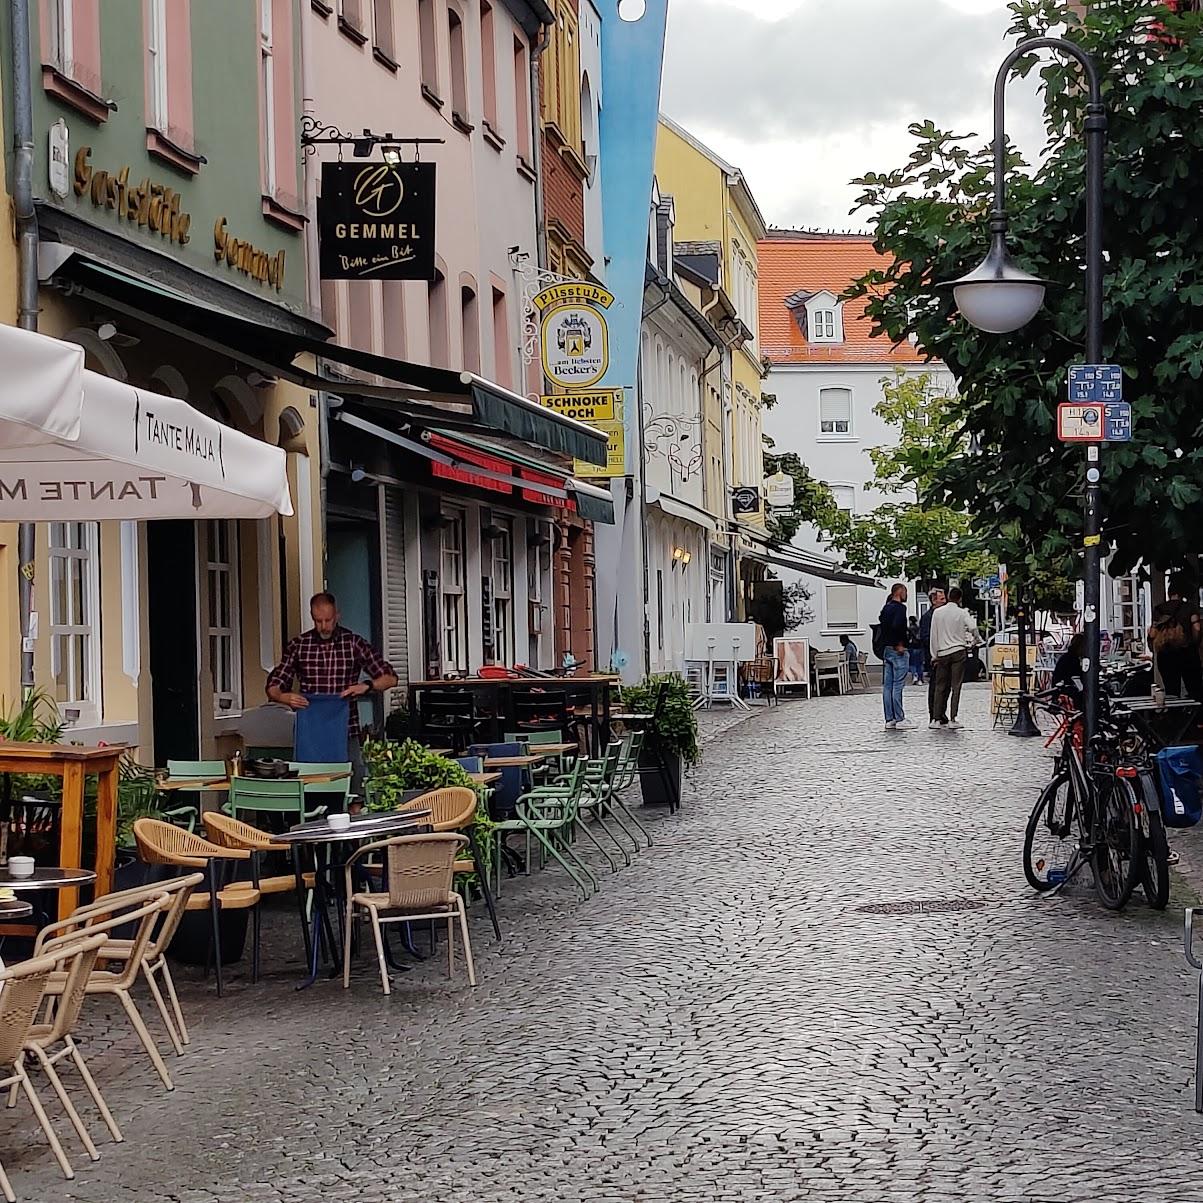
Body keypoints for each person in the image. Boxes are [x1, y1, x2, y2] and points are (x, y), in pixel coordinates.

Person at [266, 592, 398, 792]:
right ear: (312, 617)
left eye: (328, 620)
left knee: (352, 793)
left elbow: (390, 677)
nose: (324, 626)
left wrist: (366, 686)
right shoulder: (299, 645)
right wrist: (284, 697)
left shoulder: (353, 643)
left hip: (347, 728)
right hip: (310, 731)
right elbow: (272, 687)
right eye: (318, 621)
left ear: (337, 615)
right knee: (310, 791)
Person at [929, 586, 981, 730]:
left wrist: (934, 655)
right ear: (959, 598)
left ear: (948, 596)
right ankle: (953, 718)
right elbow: (973, 628)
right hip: (958, 650)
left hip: (943, 652)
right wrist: (975, 641)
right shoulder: (962, 612)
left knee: (939, 686)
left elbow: (934, 635)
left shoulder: (937, 613)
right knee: (955, 686)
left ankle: (936, 719)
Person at [1148, 575, 1203, 702]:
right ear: (1182, 593)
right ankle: (1196, 719)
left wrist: (1153, 647)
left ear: (1169, 593)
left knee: (1172, 691)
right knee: (1195, 689)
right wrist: (1194, 644)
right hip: (1187, 652)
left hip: (1166, 654)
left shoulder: (1159, 609)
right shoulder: (1189, 607)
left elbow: (1153, 632)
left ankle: (1175, 718)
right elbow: (1197, 629)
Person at [879, 583, 912, 730]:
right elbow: (898, 625)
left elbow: (882, 624)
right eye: (905, 592)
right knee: (898, 685)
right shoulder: (900, 608)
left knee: (887, 686)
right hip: (897, 650)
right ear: (899, 592)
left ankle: (889, 719)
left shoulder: (886, 608)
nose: (906, 595)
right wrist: (899, 642)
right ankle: (900, 718)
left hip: (886, 649)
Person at [919, 588, 946, 719]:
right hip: (934, 656)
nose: (945, 601)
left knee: (944, 685)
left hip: (944, 654)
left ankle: (941, 712)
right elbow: (925, 637)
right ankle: (934, 713)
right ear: (933, 601)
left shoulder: (943, 615)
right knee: (935, 685)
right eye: (942, 599)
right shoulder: (928, 617)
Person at [1052, 632, 1087, 701]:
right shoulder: (1072, 659)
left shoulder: (1068, 657)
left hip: (1061, 689)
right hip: (1066, 693)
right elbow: (1076, 676)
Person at [907, 616, 924, 685]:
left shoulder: (909, 629)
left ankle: (915, 676)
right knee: (919, 664)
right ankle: (920, 678)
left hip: (912, 646)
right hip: (920, 647)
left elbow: (908, 638)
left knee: (912, 663)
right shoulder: (919, 628)